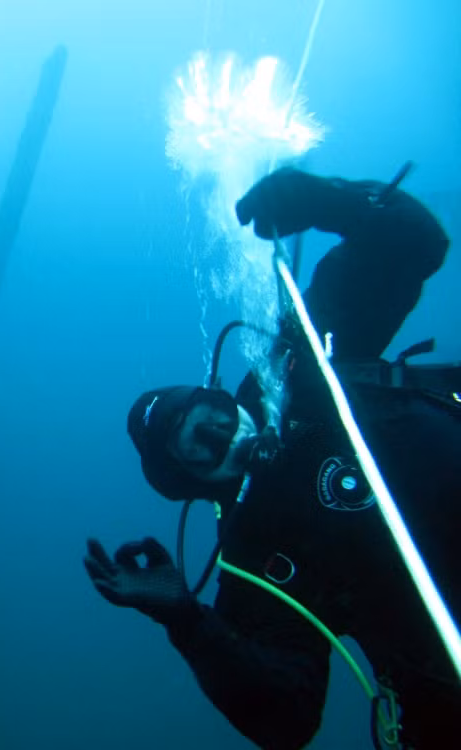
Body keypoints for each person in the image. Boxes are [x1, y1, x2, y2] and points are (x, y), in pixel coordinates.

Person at [84, 166, 461, 749]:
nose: (227, 437)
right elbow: (288, 720)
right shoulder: (254, 555)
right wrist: (187, 624)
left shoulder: (297, 364)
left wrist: (326, 199)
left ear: (219, 390)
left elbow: (416, 243)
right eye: (201, 450)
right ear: (194, 484)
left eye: (215, 414)